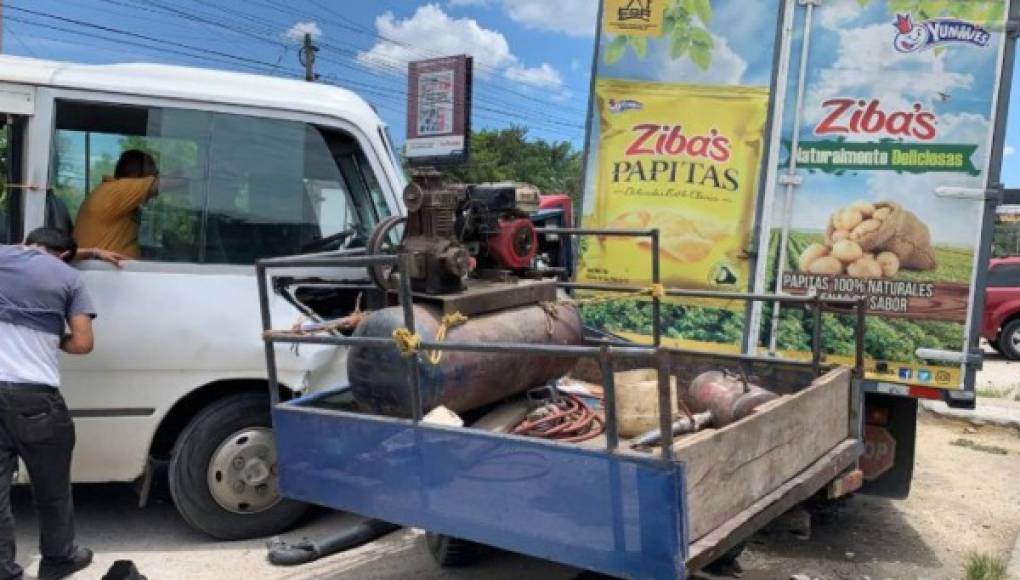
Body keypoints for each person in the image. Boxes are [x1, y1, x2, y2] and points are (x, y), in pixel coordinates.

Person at [0, 228, 96, 580]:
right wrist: (52, 340)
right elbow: (83, 343)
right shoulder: (69, 279)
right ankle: (59, 559)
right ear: (65, 255)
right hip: (34, 398)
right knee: (51, 488)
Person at [73, 149, 162, 259]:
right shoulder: (117, 191)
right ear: (134, 173)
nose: (156, 175)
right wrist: (187, 176)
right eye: (153, 173)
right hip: (102, 272)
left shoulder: (118, 197)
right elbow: (162, 185)